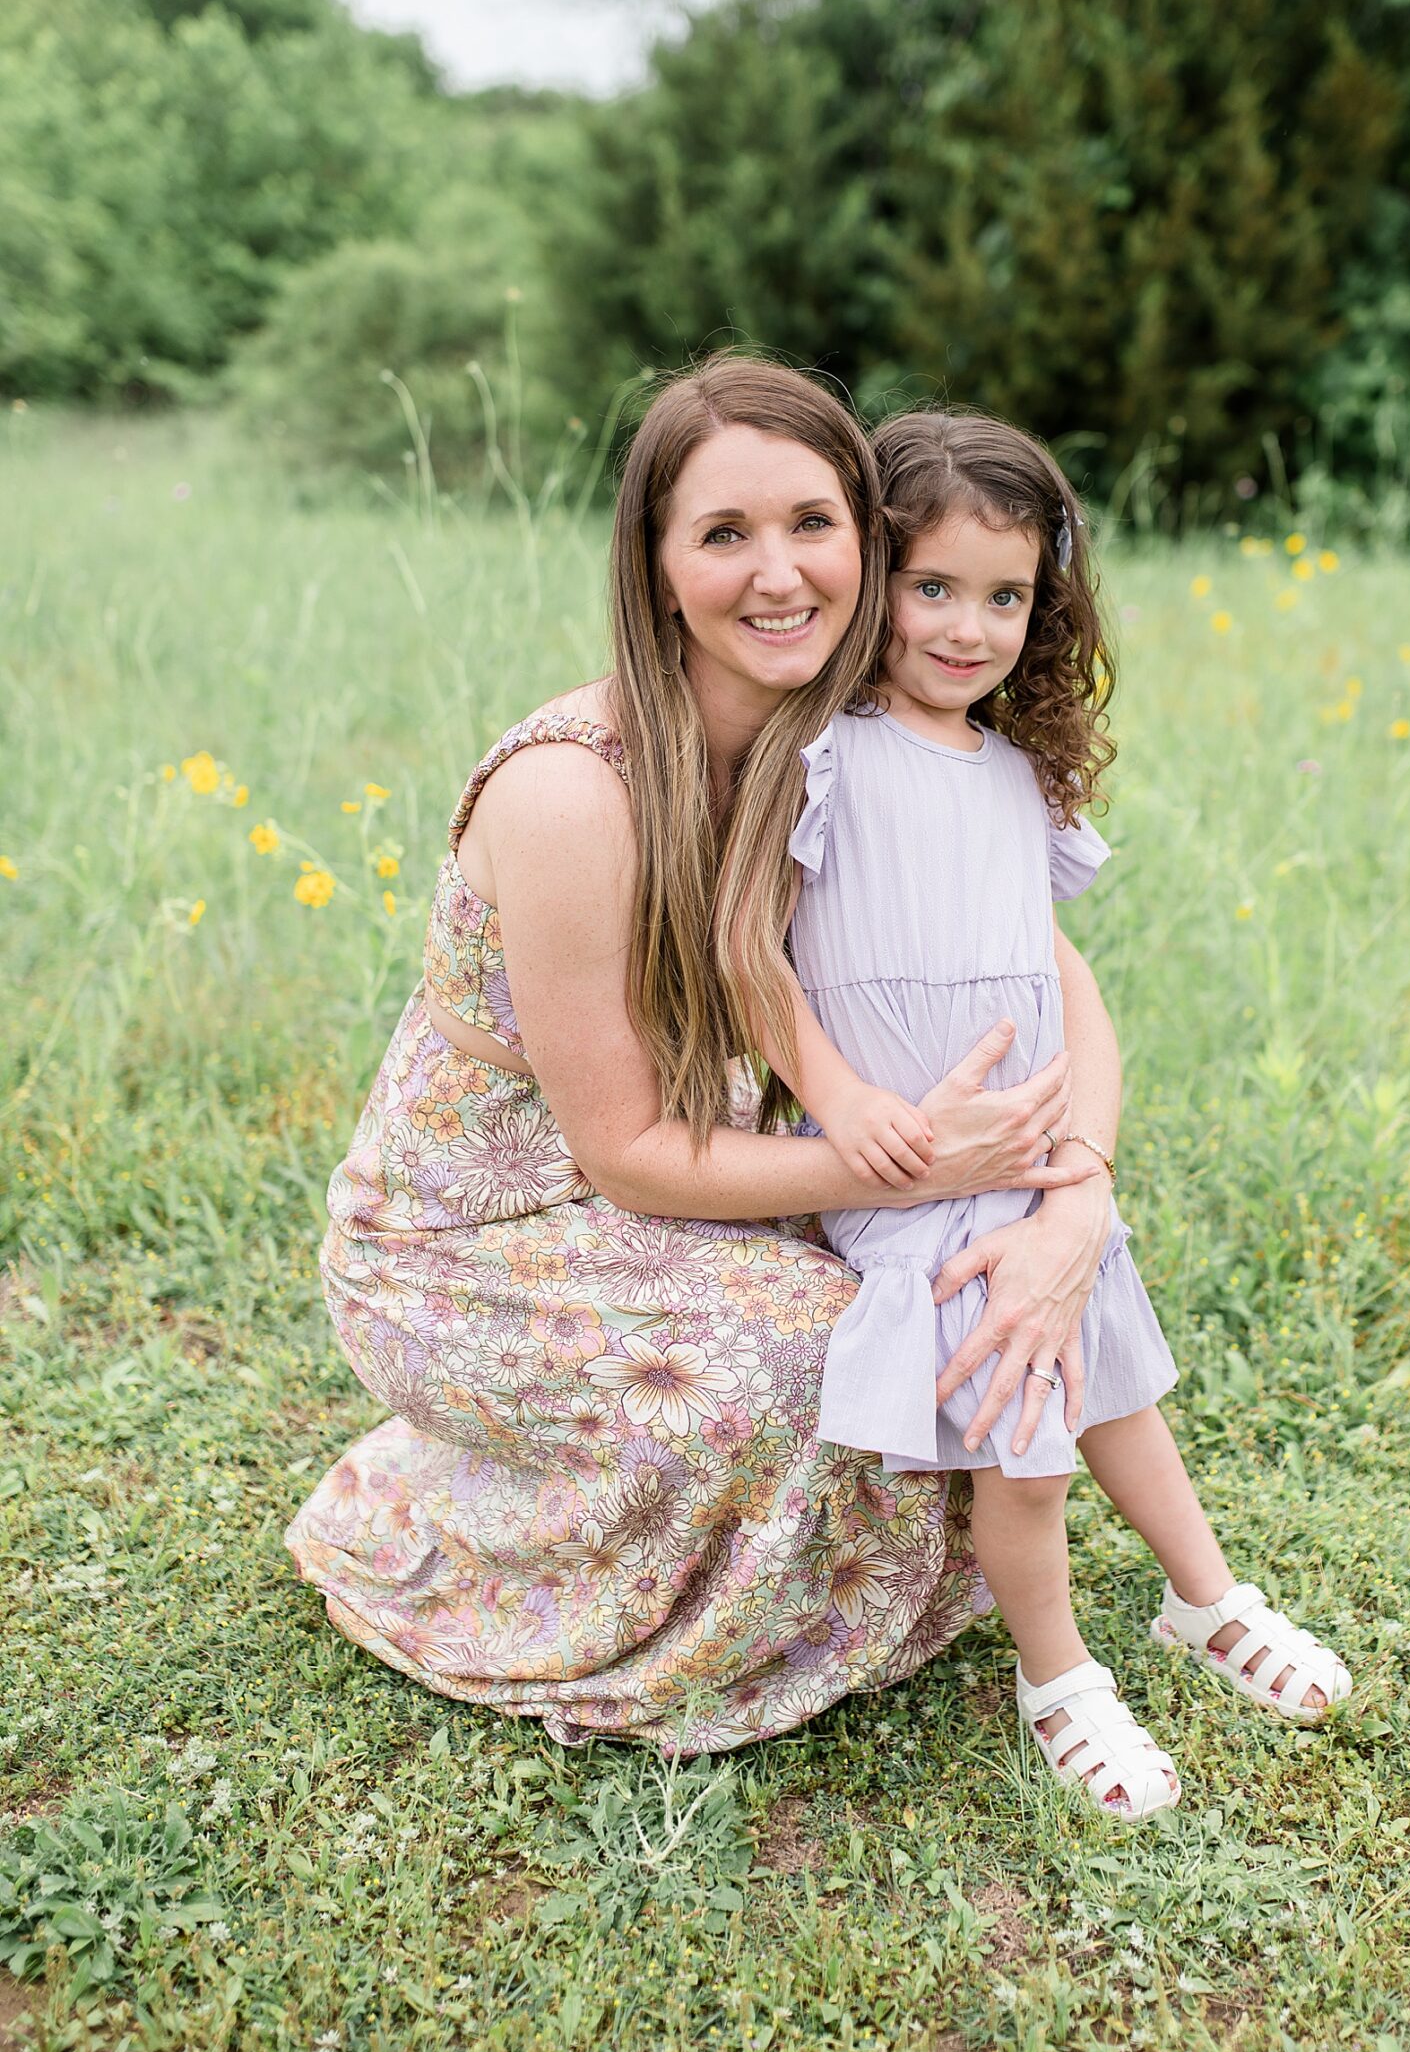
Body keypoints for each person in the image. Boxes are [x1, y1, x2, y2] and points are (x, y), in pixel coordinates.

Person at [286, 359, 1116, 1751]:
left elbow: (1056, 968)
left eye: (812, 522)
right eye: (724, 534)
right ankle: (436, 1519)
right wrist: (905, 1171)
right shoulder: (575, 791)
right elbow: (625, 1153)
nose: (779, 573)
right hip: (476, 1235)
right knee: (811, 1360)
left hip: (706, 1185)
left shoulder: (838, 744)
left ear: (870, 538)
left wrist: (1074, 1192)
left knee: (945, 1313)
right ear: (657, 567)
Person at [746, 411, 1352, 1817]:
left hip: (1026, 1153)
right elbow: (750, 956)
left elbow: (1060, 976)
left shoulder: (1017, 779)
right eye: (934, 586)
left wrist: (1077, 1157)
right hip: (906, 1160)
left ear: (1046, 604)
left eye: (1006, 596)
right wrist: (836, 1101)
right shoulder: (822, 756)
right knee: (1028, 1451)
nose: (968, 626)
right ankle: (1059, 1674)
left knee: (1120, 1393)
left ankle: (1204, 1596)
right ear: (871, 581)